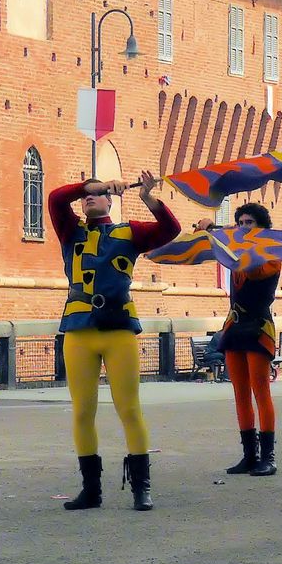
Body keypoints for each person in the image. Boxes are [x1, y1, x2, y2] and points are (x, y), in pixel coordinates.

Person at [49, 171, 180, 511]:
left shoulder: (129, 232)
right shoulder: (70, 230)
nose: (89, 198)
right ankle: (91, 490)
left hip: (119, 330)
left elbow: (170, 230)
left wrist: (149, 199)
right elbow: (55, 198)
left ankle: (141, 488)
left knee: (129, 409)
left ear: (111, 201)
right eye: (87, 195)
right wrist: (90, 185)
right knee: (82, 412)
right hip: (78, 332)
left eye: (97, 194)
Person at [196, 203, 281, 477]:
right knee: (240, 394)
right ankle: (249, 455)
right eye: (241, 222)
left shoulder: (271, 255)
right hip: (234, 326)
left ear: (262, 227)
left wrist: (217, 233)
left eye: (250, 222)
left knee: (261, 392)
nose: (244, 226)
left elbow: (252, 268)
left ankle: (268, 457)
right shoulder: (233, 250)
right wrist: (213, 234)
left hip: (258, 327)